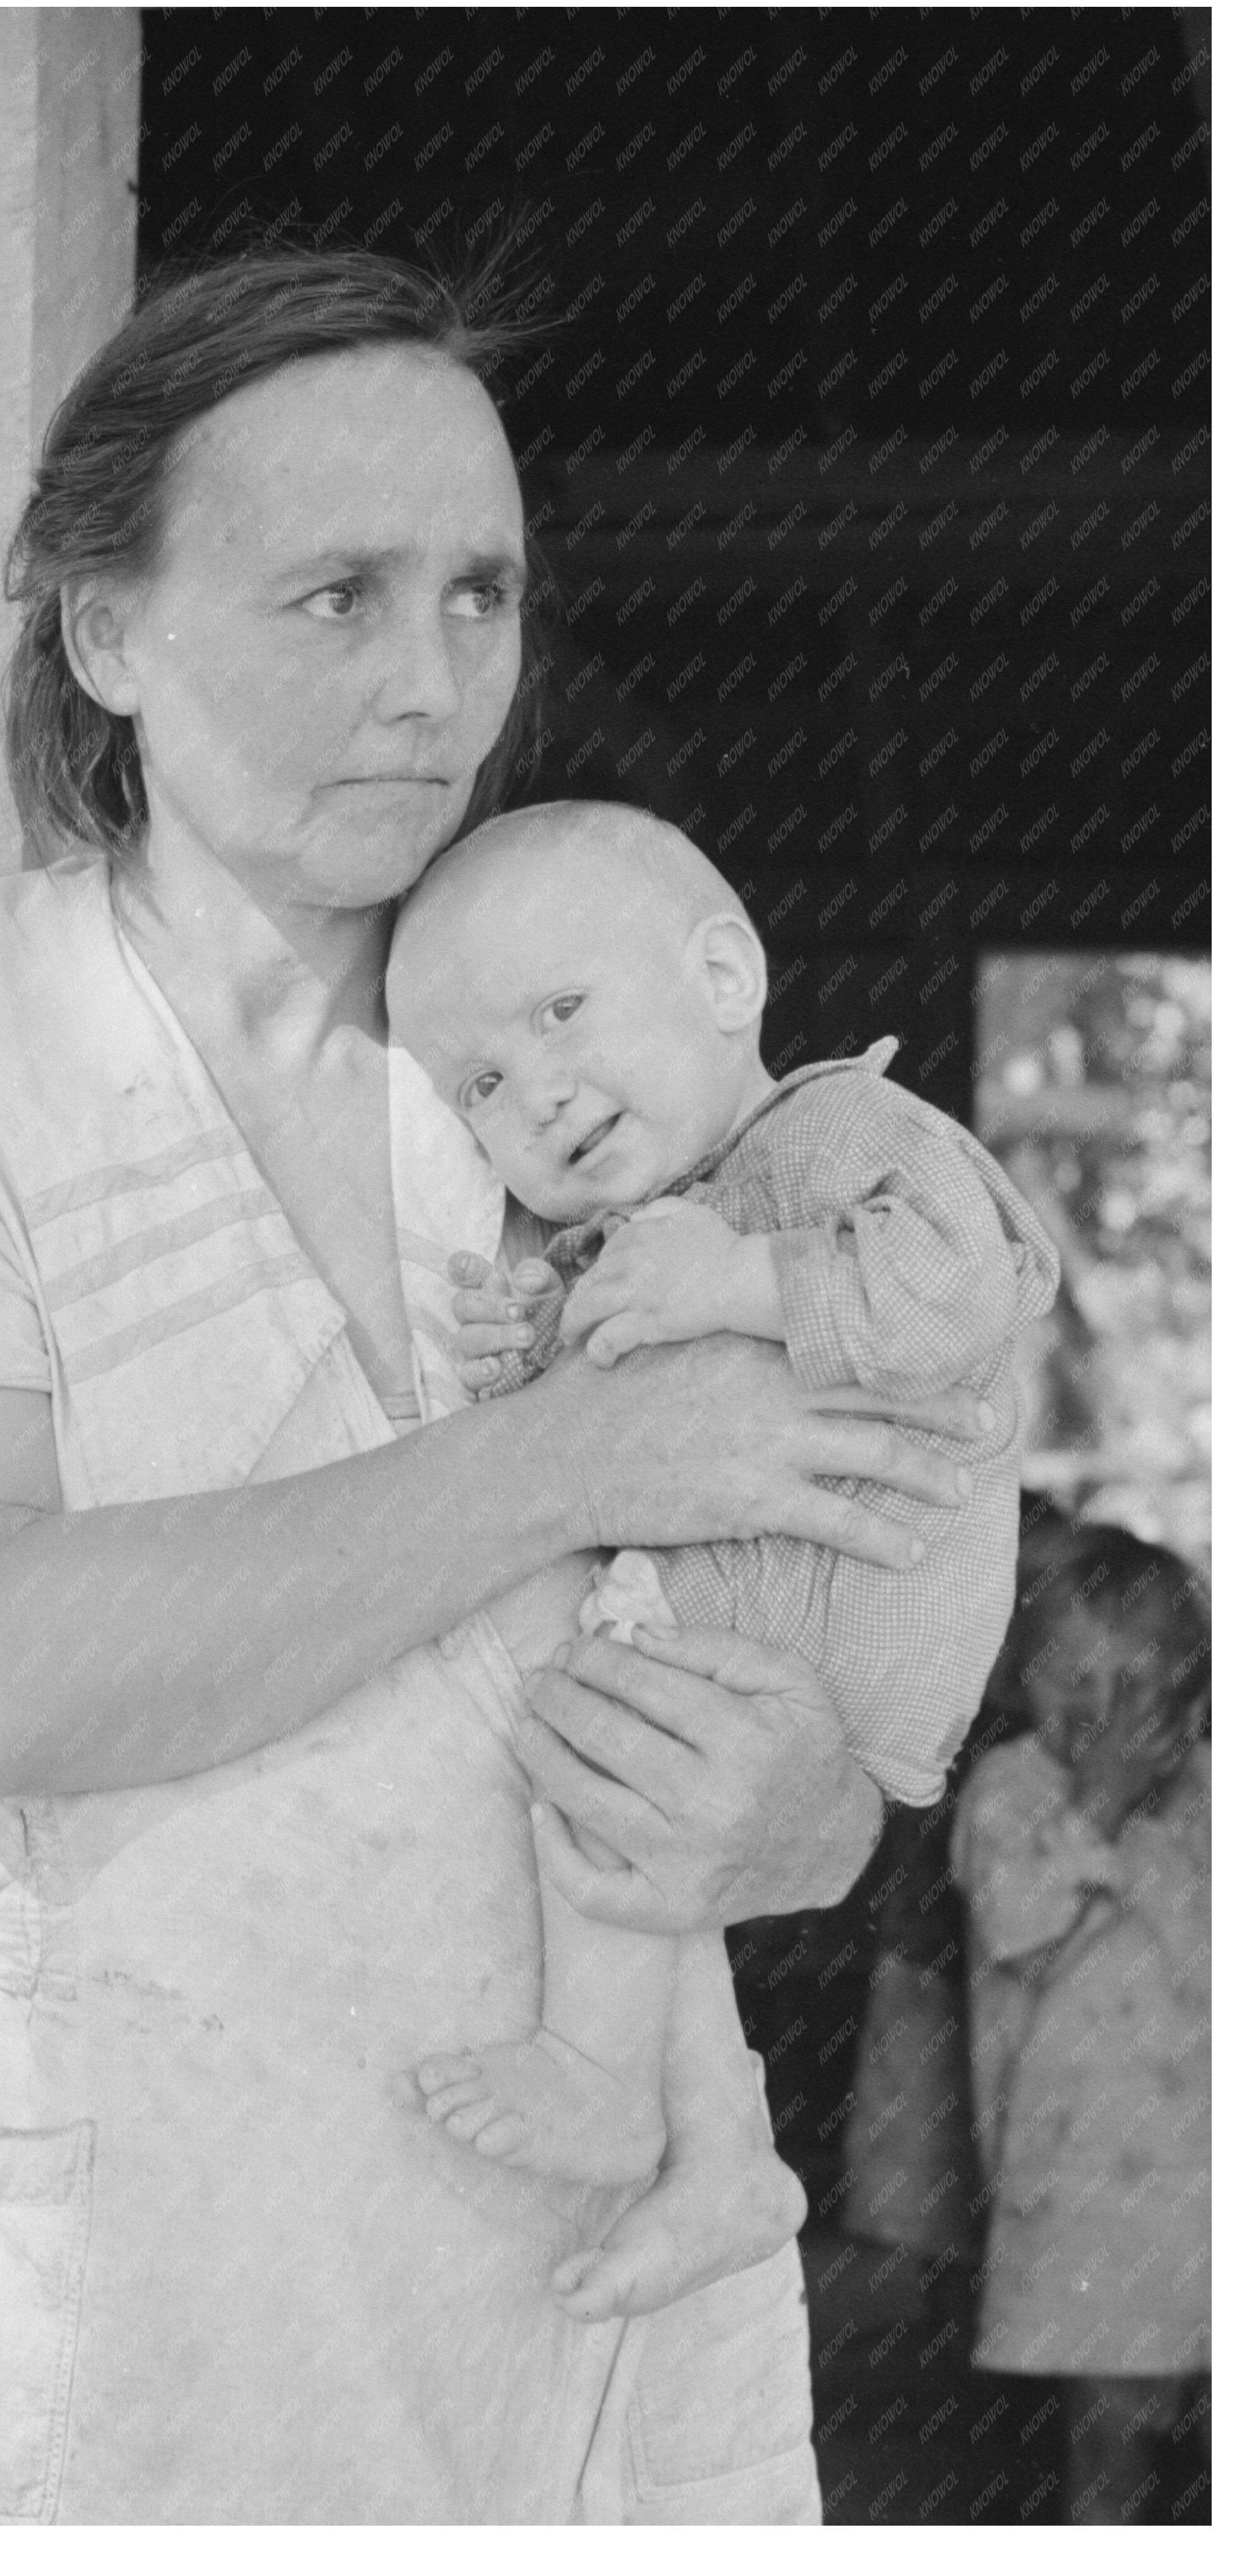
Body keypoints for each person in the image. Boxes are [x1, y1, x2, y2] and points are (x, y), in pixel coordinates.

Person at [0, 243, 984, 2525]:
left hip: (613, 2319)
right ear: (103, 628)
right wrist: (563, 1452)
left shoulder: (577, 1042)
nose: (432, 683)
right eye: (338, 597)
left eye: (478, 594)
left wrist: (809, 1805)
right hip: (161, 2323)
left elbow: (846, 1570)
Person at [383, 799, 1057, 2319]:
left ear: (721, 978)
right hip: (776, 1608)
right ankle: (720, 2154)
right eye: (481, 1081)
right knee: (626, 1799)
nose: (537, 1092)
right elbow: (607, 1422)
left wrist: (746, 1277)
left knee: (594, 1734)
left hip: (849, 1600)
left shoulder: (843, 1136)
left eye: (562, 1012)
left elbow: (970, 1289)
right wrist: (524, 1346)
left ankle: (599, 2076)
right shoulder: (644, 1225)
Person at [952, 1520, 1210, 2525]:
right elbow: (1014, 1926)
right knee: (1109, 2428)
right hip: (1083, 2186)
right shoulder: (1009, 1792)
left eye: (1129, 1689)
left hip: (1201, 2170)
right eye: (1066, 1682)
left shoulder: (1205, 1797)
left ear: (1186, 1701)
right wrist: (1096, 1809)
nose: (1093, 1717)